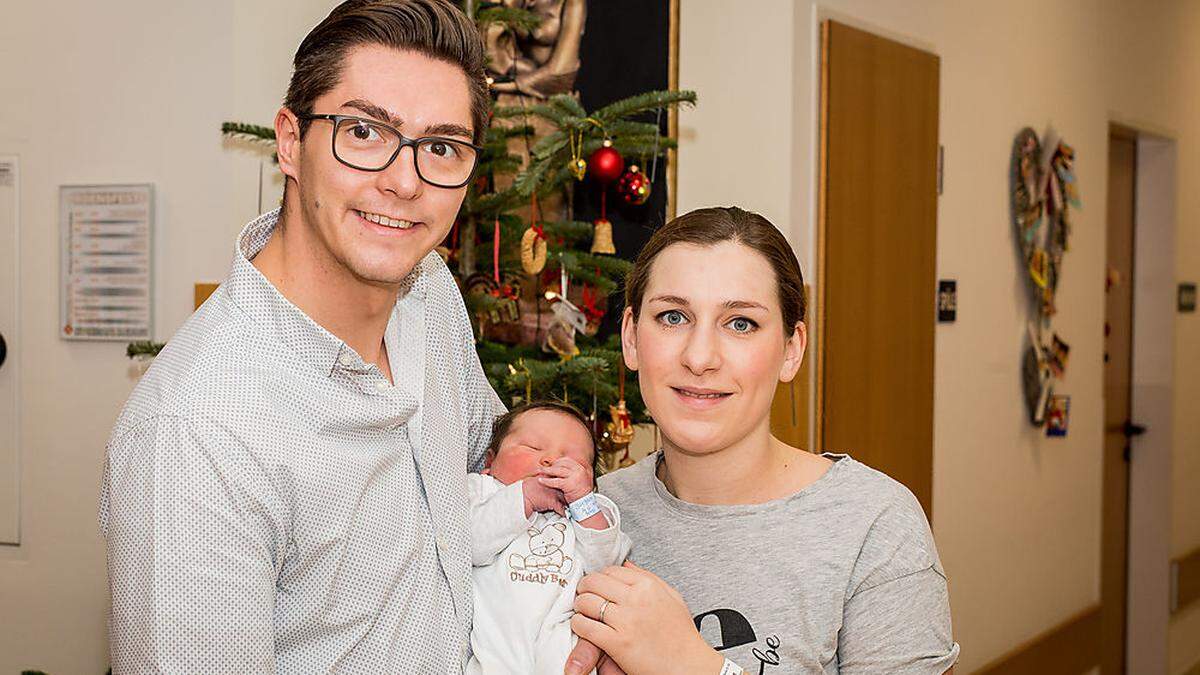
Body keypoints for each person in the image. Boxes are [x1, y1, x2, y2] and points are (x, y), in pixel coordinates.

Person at [98, 1, 506, 672]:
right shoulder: (197, 433)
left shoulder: (431, 295)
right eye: (364, 132)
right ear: (290, 142)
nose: (405, 182)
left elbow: (483, 475)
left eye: (441, 147)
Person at [564, 207, 959, 674]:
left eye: (741, 323)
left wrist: (690, 666)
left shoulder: (872, 524)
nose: (700, 357)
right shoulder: (587, 515)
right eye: (673, 316)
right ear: (631, 337)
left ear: (792, 350)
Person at [467, 401, 631, 675]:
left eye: (574, 460)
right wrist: (525, 496)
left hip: (563, 637)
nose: (552, 460)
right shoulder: (482, 492)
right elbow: (468, 546)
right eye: (532, 447)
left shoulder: (588, 510)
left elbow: (607, 566)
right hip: (496, 643)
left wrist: (581, 502)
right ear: (490, 461)